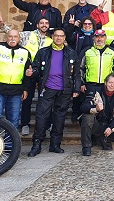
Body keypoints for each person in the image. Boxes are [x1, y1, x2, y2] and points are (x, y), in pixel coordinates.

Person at [0, 14, 52, 135]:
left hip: (43, 73)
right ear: (37, 25)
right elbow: (13, 34)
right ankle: (25, 123)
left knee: (46, 100)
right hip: (29, 70)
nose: (44, 25)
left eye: (46, 23)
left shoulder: (50, 40)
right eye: (41, 23)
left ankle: (47, 124)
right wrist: (1, 25)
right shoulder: (28, 35)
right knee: (27, 98)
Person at [26, 28, 79, 157]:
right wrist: (32, 73)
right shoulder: (43, 52)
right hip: (47, 89)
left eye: (61, 36)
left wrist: (76, 88)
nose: (59, 38)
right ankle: (36, 144)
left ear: (65, 38)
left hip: (64, 90)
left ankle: (55, 144)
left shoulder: (71, 53)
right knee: (41, 117)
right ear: (53, 37)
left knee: (59, 118)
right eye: (56, 36)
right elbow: (37, 69)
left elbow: (77, 73)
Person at [79, 73, 114, 156]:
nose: (112, 85)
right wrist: (95, 109)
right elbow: (84, 107)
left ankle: (104, 139)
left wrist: (111, 128)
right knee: (87, 117)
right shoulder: (95, 92)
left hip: (109, 123)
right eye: (110, 82)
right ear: (105, 83)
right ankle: (86, 146)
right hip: (97, 123)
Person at [77, 29, 114, 95]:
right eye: (97, 37)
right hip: (90, 85)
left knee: (105, 105)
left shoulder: (112, 51)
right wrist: (81, 84)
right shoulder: (87, 51)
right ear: (93, 38)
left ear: (105, 38)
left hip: (107, 85)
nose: (99, 39)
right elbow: (80, 68)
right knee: (90, 104)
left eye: (102, 37)